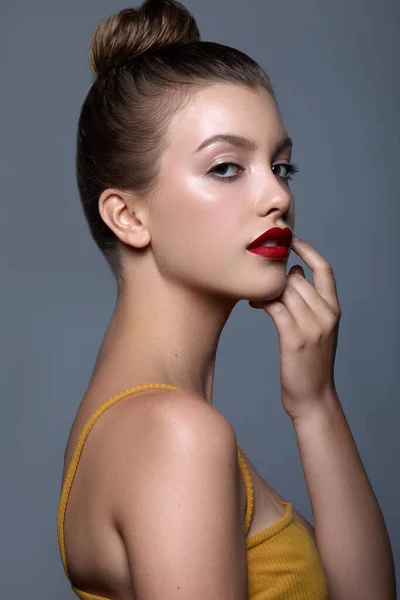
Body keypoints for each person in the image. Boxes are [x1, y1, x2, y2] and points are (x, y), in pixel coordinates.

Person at [57, 1, 397, 599]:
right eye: (226, 167)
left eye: (281, 166)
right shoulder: (174, 435)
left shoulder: (139, 424)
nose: (276, 197)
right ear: (129, 215)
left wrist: (316, 405)